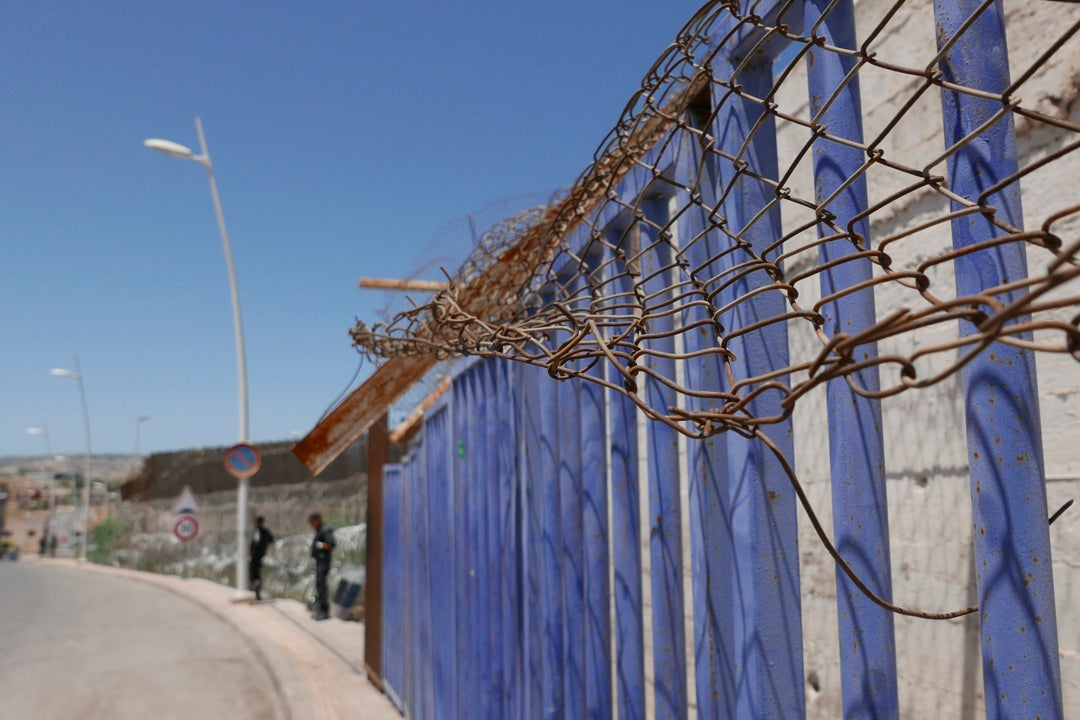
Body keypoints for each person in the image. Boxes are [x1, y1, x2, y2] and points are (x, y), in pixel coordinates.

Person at [308, 512, 336, 620]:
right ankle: (321, 609)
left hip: (323, 563)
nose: (311, 525)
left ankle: (324, 611)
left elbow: (332, 544)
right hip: (319, 562)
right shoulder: (319, 530)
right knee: (319, 585)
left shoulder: (325, 530)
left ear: (317, 520)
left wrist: (321, 545)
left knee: (321, 585)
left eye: (312, 522)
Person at [248, 515, 274, 601]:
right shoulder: (266, 531)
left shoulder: (257, 531)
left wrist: (252, 551)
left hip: (255, 556)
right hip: (262, 555)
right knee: (258, 574)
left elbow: (256, 542)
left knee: (254, 574)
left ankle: (256, 591)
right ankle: (257, 591)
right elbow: (271, 540)